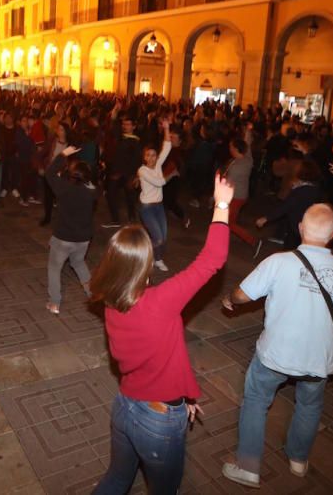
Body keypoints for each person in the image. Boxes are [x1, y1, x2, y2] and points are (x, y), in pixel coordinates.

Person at [91, 174, 233, 494]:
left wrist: (181, 397)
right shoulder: (159, 302)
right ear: (145, 265)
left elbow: (155, 360)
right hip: (156, 422)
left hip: (125, 406)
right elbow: (212, 260)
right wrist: (222, 204)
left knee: (116, 478)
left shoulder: (112, 301)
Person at [221, 204, 333, 488]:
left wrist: (229, 300)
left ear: (300, 227)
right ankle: (298, 460)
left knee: (256, 401)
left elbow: (242, 294)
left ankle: (248, 466)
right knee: (309, 406)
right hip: (318, 360)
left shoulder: (278, 262)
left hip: (275, 354)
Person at [43, 145, 98, 314]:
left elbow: (49, 173)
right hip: (83, 239)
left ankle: (55, 303)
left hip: (63, 238)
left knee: (54, 268)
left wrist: (63, 154)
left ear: (71, 174)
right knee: (79, 263)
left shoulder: (63, 188)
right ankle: (94, 296)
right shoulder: (92, 192)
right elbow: (90, 184)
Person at [136, 118, 172, 271]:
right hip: (147, 208)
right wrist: (171, 174)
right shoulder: (142, 171)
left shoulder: (157, 164)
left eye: (153, 155)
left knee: (163, 238)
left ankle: (158, 259)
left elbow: (167, 147)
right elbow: (160, 183)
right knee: (157, 238)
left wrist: (166, 128)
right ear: (144, 157)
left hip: (159, 207)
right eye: (148, 155)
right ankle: (144, 257)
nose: (151, 158)